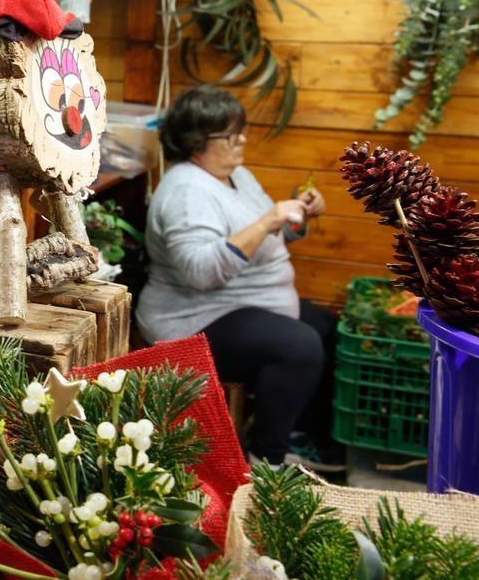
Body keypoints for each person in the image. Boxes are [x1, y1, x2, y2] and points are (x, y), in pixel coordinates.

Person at [136, 85, 343, 471]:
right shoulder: (185, 190)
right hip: (192, 318)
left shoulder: (236, 175)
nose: (242, 139)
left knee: (327, 328)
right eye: (231, 135)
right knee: (299, 346)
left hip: (240, 300)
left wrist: (297, 214)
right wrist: (269, 219)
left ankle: (298, 434)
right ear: (196, 142)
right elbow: (200, 271)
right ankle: (267, 462)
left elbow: (260, 237)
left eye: (240, 130)